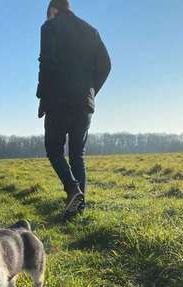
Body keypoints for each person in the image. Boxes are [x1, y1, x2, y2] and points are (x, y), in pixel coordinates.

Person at [37, 0, 111, 218]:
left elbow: (47, 64)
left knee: (54, 150)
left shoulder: (50, 26)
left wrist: (42, 97)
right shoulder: (91, 31)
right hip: (84, 103)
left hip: (58, 100)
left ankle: (72, 189)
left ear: (53, 10)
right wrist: (90, 91)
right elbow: (106, 65)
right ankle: (77, 210)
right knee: (77, 155)